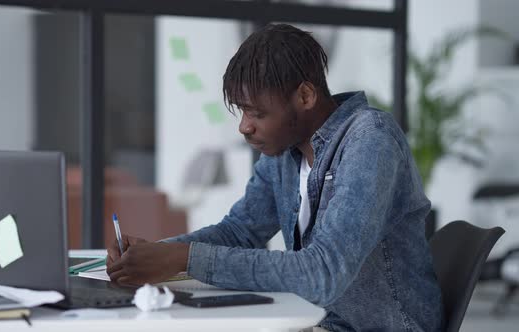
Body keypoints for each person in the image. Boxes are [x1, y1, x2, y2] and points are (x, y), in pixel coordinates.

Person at [106, 23, 443, 331]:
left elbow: (322, 273)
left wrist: (183, 258)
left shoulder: (370, 141)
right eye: (241, 111)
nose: (244, 126)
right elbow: (240, 231)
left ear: (305, 96)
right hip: (317, 321)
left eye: (257, 112)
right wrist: (156, 254)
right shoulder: (286, 149)